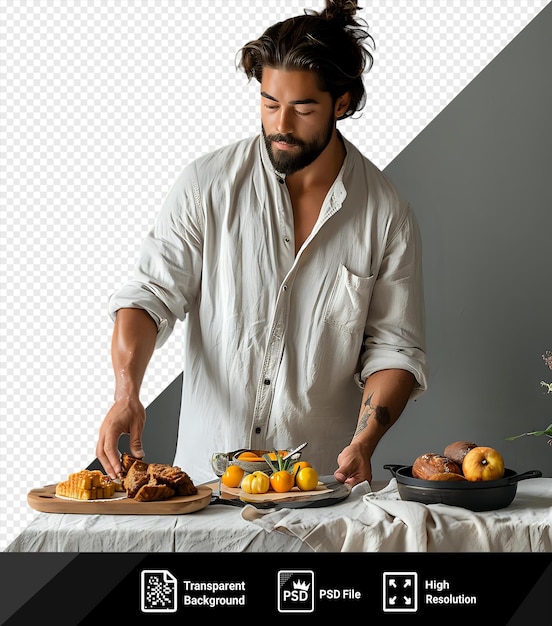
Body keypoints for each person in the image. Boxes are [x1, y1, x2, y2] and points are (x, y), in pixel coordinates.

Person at [95, 0, 428, 487]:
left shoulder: (386, 213)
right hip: (205, 488)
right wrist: (126, 392)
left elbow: (395, 349)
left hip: (318, 487)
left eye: (303, 108)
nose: (281, 126)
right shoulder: (206, 184)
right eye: (270, 103)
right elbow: (150, 296)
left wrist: (363, 442)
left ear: (343, 102)